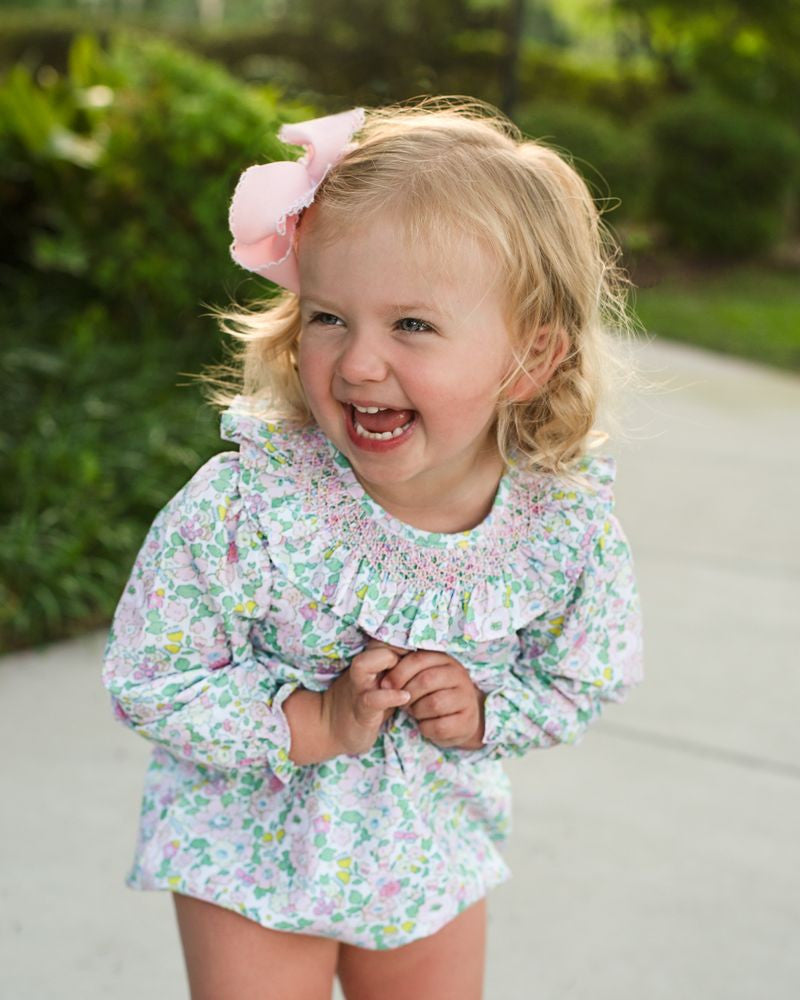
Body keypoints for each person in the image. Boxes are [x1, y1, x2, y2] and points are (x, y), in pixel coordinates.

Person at [102, 97, 644, 1000]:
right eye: (327, 317)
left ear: (532, 357)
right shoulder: (249, 506)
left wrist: (480, 711)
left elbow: (588, 673)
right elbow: (151, 676)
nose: (356, 364)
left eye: (413, 326)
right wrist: (307, 723)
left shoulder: (561, 533)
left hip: (429, 858)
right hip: (250, 859)